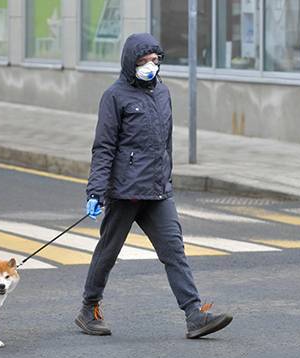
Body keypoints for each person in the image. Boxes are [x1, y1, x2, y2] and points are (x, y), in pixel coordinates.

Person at [75, 33, 233, 339]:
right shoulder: (114, 96)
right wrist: (95, 191)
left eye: (154, 60)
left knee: (174, 251)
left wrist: (166, 177)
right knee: (108, 252)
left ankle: (194, 315)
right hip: (125, 192)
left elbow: (166, 143)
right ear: (130, 63)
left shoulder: (163, 93)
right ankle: (88, 309)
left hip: (158, 191)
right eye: (143, 61)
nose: (150, 66)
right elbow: (104, 148)